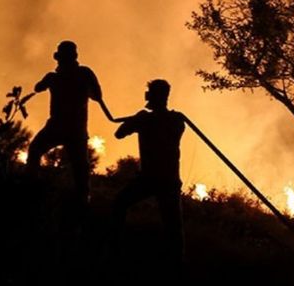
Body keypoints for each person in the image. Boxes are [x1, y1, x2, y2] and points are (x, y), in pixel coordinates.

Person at [112, 79, 188, 262]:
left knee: (119, 205)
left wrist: (137, 118)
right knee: (174, 227)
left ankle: (115, 248)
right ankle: (177, 263)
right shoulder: (177, 120)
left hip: (150, 179)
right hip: (169, 179)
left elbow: (119, 134)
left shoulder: (145, 119)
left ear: (150, 96)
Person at [26, 40, 104, 202]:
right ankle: (82, 199)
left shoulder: (71, 75)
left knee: (36, 151)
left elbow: (38, 87)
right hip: (71, 129)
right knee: (80, 168)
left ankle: (31, 190)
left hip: (62, 127)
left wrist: (50, 81)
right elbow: (97, 96)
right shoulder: (81, 74)